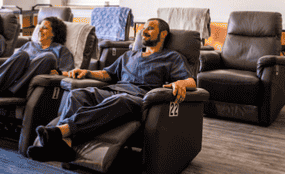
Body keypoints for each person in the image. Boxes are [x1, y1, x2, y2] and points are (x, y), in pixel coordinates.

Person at [27, 18, 197, 162]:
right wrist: (86, 72)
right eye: (143, 28)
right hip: (112, 91)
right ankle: (65, 146)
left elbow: (191, 81)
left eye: (150, 28)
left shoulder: (171, 57)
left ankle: (60, 132)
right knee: (78, 94)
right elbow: (107, 74)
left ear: (163, 34)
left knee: (120, 100)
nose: (144, 31)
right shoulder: (130, 55)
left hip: (138, 98)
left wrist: (182, 83)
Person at [0, 16, 74, 98]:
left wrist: (58, 73)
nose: (39, 30)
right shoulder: (28, 45)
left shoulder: (61, 50)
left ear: (54, 33)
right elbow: (12, 62)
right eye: (40, 27)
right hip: (13, 80)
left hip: (29, 85)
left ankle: (11, 91)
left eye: (44, 28)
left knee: (48, 57)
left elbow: (68, 72)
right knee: (22, 54)